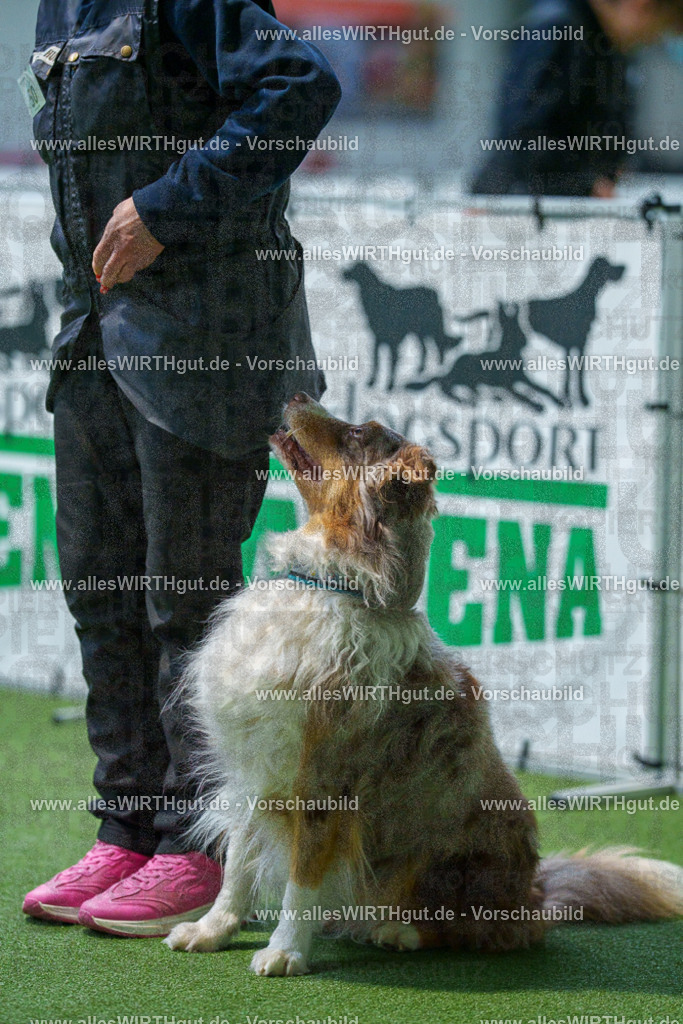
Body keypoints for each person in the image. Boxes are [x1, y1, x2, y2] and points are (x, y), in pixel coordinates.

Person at [21, 0, 340, 937]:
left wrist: (167, 205)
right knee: (100, 590)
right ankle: (128, 825)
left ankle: (195, 844)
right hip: (96, 331)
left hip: (207, 335)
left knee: (183, 600)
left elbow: (297, 86)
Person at [470, 0, 683, 197]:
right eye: (662, 29)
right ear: (640, 6)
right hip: (520, 208)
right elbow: (522, 140)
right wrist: (583, 183)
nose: (654, 40)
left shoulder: (607, 45)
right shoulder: (559, 28)